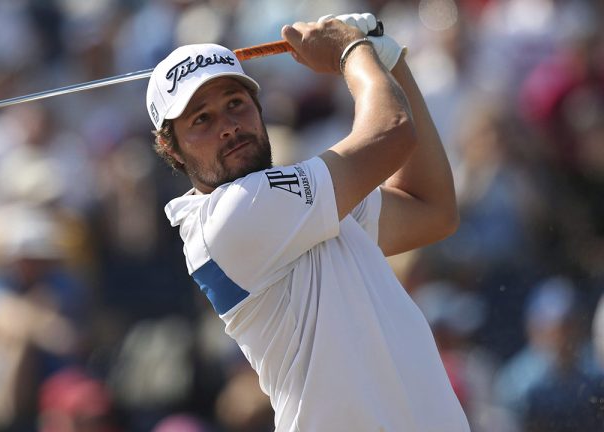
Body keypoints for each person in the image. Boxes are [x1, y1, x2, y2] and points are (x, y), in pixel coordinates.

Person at [146, 12, 469, 432]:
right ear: (170, 150)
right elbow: (391, 130)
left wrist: (390, 63)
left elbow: (431, 210)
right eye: (201, 119)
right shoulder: (231, 217)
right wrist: (351, 51)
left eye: (235, 104)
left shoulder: (299, 201)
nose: (227, 126)